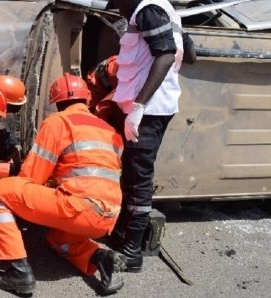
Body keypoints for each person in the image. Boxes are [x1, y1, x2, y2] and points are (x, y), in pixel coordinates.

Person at [0, 73, 126, 295]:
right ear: (86, 99)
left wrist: (0, 177)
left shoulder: (59, 122)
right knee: (58, 238)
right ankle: (100, 257)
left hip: (78, 207)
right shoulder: (110, 131)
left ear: (57, 102)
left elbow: (31, 178)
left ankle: (17, 272)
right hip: (108, 216)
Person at [109, 0, 185, 273]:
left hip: (148, 111)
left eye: (118, 3)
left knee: (138, 178)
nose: (118, 10)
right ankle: (123, 235)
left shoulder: (149, 11)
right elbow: (191, 54)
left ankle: (132, 252)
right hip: (154, 108)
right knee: (132, 173)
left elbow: (165, 54)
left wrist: (139, 107)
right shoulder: (167, 10)